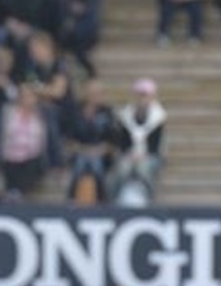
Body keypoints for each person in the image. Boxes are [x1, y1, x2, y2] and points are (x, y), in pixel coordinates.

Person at [64, 75, 120, 203]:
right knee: (81, 162)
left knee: (95, 164)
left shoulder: (107, 113)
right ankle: (71, 199)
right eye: (92, 92)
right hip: (79, 152)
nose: (95, 96)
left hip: (101, 154)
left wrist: (99, 150)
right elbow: (69, 139)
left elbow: (113, 141)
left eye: (98, 93)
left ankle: (103, 200)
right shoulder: (75, 112)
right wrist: (83, 149)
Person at [110, 78, 167, 206]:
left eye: (145, 95)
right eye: (140, 95)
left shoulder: (159, 117)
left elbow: (156, 145)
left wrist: (143, 155)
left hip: (150, 156)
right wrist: (130, 153)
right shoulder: (126, 115)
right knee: (122, 168)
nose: (142, 99)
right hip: (129, 155)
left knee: (144, 169)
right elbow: (123, 142)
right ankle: (114, 201)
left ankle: (149, 200)